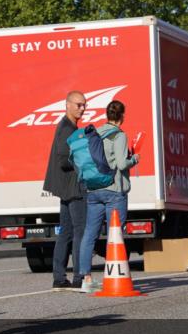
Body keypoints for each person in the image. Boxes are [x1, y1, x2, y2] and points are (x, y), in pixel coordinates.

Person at [76, 100, 140, 292]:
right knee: (115, 234)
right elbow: (121, 164)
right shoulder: (119, 135)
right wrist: (134, 159)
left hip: (93, 190)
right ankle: (114, 275)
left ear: (107, 115)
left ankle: (86, 278)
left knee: (89, 233)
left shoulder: (96, 133)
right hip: (113, 190)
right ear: (122, 116)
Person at [42, 90, 88, 290]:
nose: (82, 108)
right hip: (73, 187)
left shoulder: (69, 127)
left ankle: (59, 277)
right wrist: (84, 163)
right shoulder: (67, 128)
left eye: (84, 105)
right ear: (67, 105)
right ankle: (78, 276)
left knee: (67, 232)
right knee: (80, 231)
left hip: (67, 187)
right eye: (78, 104)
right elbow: (63, 159)